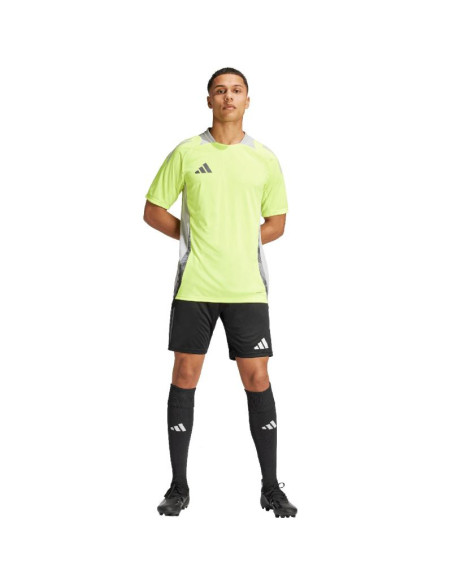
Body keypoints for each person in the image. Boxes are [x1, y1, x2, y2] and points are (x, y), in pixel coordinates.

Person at [143, 67, 297, 518]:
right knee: (185, 374)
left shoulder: (264, 158)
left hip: (248, 289)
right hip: (196, 285)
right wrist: (198, 238)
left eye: (236, 90)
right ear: (208, 99)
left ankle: (270, 487)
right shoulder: (187, 152)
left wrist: (237, 241)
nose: (228, 97)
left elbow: (277, 223)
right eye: (220, 90)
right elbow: (153, 210)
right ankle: (178, 487)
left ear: (248, 99)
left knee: (258, 379)